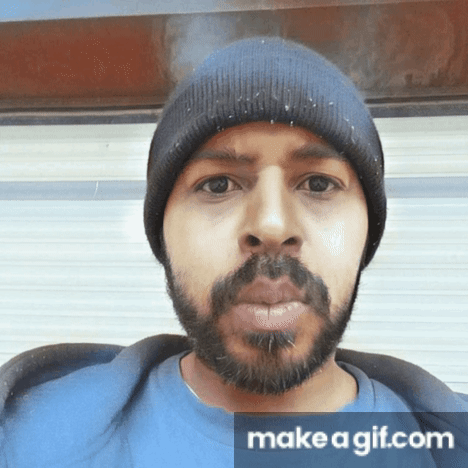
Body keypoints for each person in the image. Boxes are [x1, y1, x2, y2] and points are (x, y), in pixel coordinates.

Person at [0, 37, 466, 468]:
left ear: (368, 232)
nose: (271, 226)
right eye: (218, 185)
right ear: (162, 234)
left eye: (319, 183)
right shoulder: (31, 441)